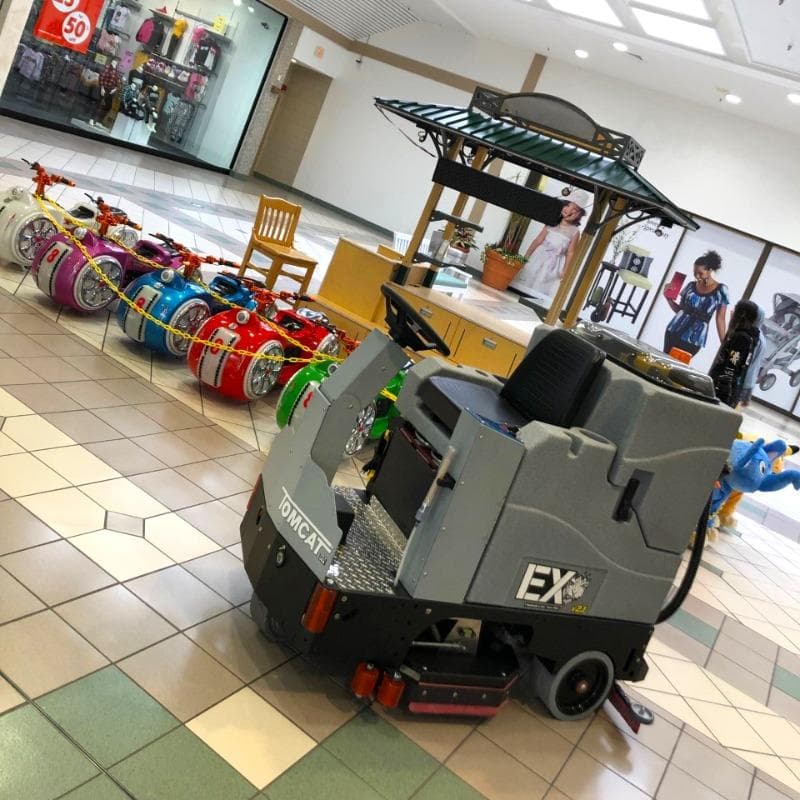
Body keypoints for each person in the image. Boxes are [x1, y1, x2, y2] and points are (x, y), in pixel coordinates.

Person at [514, 197, 586, 298]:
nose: (569, 210)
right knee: (530, 275)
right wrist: (526, 256)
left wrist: (565, 270)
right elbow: (538, 240)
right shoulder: (552, 222)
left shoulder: (574, 232)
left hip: (554, 263)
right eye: (567, 205)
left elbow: (570, 252)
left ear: (579, 215)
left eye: (574, 209)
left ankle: (534, 300)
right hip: (539, 256)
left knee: (542, 284)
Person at [663, 250, 729, 359]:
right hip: (674, 330)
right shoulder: (690, 286)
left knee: (679, 365)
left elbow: (720, 319)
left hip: (695, 338)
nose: (697, 276)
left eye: (700, 273)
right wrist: (668, 299)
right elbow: (680, 310)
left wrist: (724, 343)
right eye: (695, 273)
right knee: (664, 361)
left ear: (709, 270)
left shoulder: (721, 290)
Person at [709, 299, 762, 408]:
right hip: (732, 389)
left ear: (742, 314)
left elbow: (732, 365)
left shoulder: (741, 337)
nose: (732, 312)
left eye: (735, 309)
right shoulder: (751, 337)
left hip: (722, 391)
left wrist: (720, 388)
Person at [739, 305, 765, 406]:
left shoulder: (752, 338)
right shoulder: (761, 338)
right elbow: (756, 366)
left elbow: (747, 363)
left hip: (741, 382)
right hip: (748, 383)